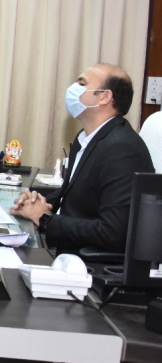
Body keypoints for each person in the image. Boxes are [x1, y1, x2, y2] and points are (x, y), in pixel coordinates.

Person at [10, 64, 154, 252]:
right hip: (65, 246)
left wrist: (44, 218)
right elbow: (77, 197)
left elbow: (113, 232)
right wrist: (37, 202)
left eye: (82, 83)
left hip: (85, 260)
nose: (73, 88)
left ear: (104, 97)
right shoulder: (86, 138)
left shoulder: (121, 149)